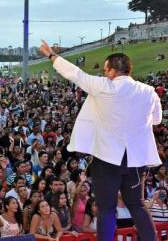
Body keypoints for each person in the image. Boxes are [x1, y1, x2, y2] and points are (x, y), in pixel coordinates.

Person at [40, 40, 162, 241]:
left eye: (106, 70)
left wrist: (52, 55)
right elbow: (156, 119)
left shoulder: (103, 86)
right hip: (136, 160)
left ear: (113, 71)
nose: (105, 74)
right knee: (138, 205)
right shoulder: (148, 91)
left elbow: (75, 74)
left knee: (106, 209)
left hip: (107, 159)